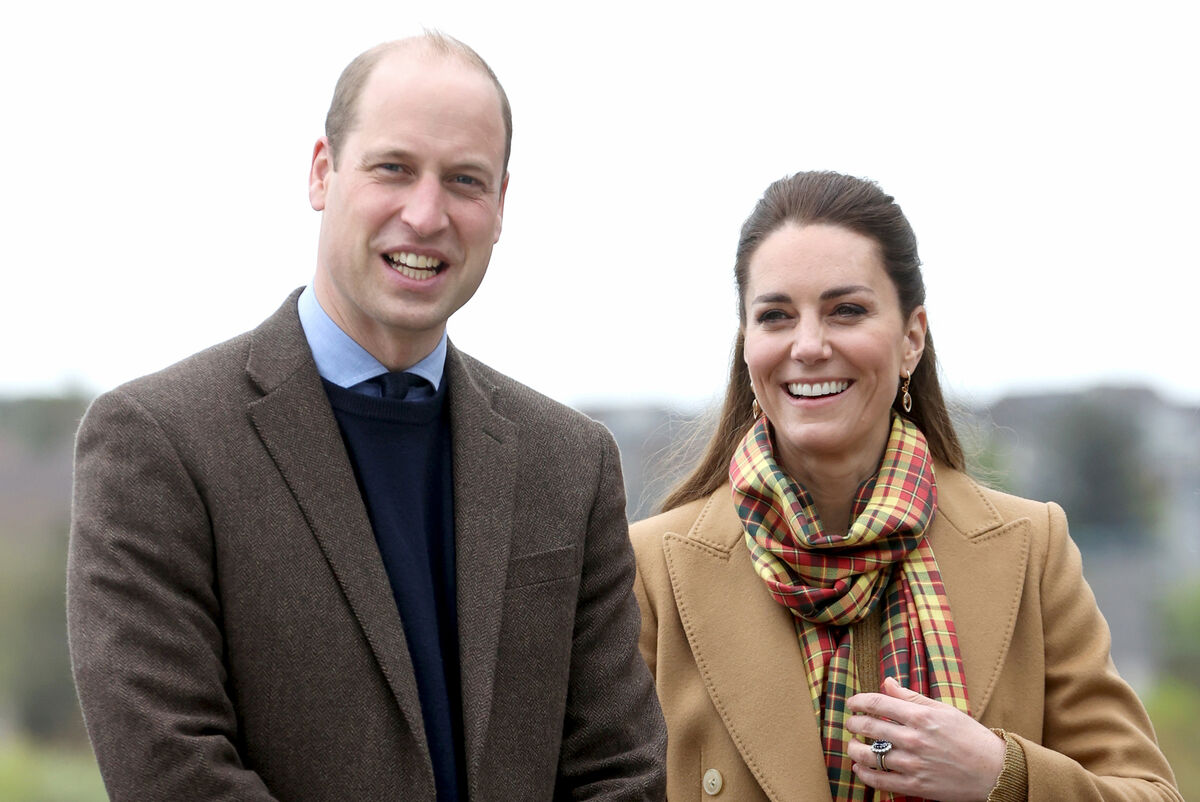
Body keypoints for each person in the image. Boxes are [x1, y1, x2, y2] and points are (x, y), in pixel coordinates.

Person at [67, 33, 666, 801]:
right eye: (394, 169)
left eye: (465, 180)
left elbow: (621, 771)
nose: (426, 213)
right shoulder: (158, 442)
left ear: (500, 205)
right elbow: (171, 769)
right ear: (322, 172)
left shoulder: (571, 464)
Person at [630, 171, 1180, 801]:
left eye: (846, 311)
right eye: (775, 316)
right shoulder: (652, 569)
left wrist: (1001, 776)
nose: (808, 345)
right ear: (748, 344)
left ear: (912, 338)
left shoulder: (1031, 547)